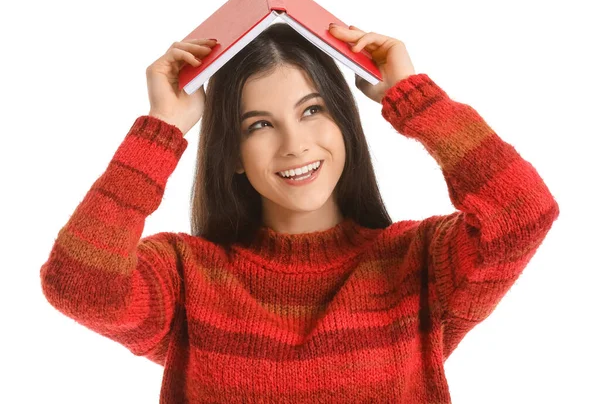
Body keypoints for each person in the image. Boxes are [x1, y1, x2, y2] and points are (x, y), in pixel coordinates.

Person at [39, 22, 560, 403]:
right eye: (258, 126)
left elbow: (523, 213)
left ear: (344, 125)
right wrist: (162, 130)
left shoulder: (416, 264)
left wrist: (413, 98)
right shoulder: (187, 273)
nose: (295, 144)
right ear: (233, 156)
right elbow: (79, 283)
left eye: (312, 111)